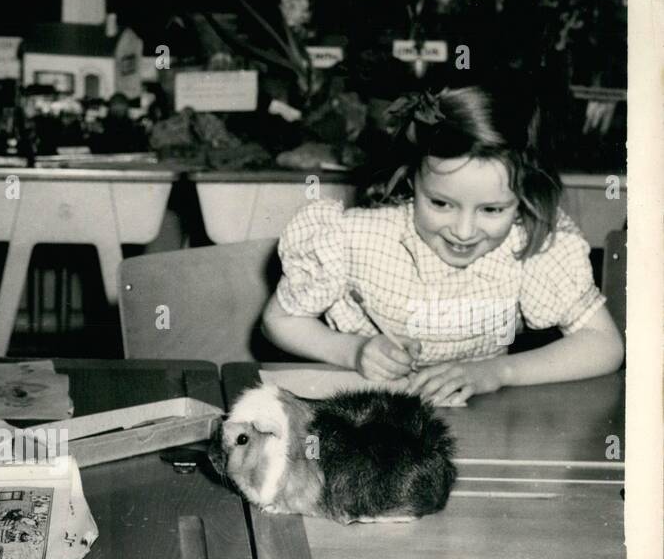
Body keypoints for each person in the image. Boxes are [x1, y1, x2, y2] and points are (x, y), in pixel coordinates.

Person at [260, 85, 624, 406]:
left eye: (492, 209)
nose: (463, 232)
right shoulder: (356, 238)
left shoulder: (528, 243)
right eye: (441, 204)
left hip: (481, 420)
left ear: (523, 198)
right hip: (369, 421)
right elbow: (280, 321)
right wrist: (353, 352)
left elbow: (604, 345)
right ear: (412, 180)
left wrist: (498, 372)